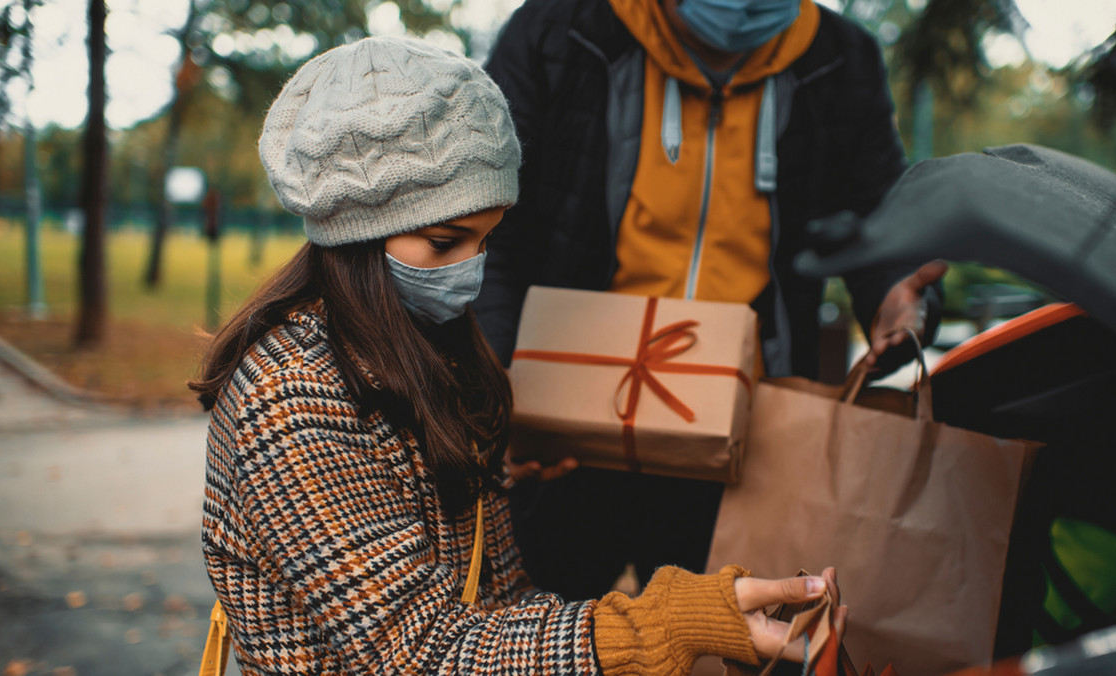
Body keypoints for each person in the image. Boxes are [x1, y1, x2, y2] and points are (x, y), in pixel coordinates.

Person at [189, 36, 846, 675]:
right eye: (446, 241)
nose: (471, 268)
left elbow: (498, 605)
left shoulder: (425, 351)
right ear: (355, 231)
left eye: (486, 239)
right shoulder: (293, 394)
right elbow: (417, 651)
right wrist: (657, 626)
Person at [477, 0, 947, 601]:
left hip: (745, 435)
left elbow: (877, 220)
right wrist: (497, 374)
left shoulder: (840, 60)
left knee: (722, 639)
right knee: (534, 633)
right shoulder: (558, 31)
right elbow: (491, 217)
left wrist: (896, 294)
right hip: (562, 421)